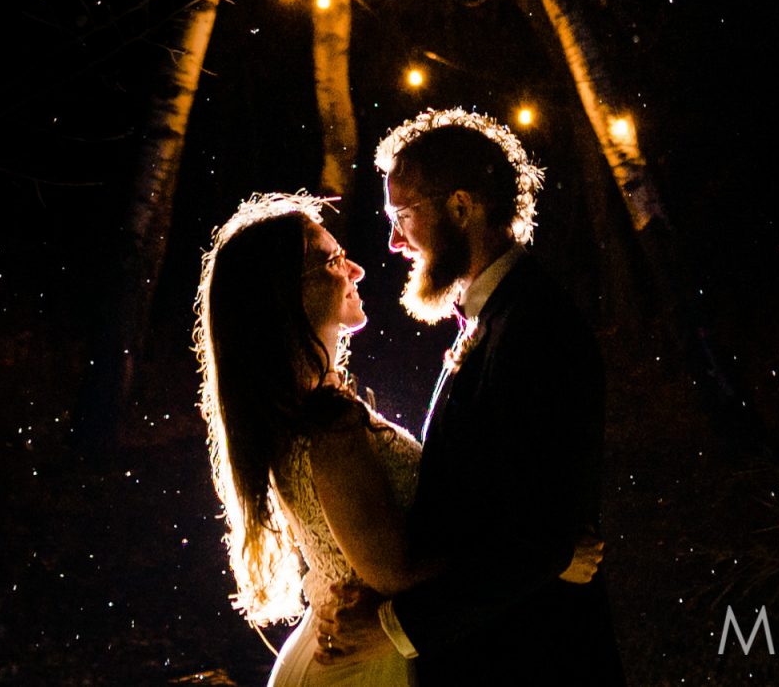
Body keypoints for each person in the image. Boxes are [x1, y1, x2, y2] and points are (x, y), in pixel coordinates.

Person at [194, 189, 599, 687]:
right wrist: (543, 557)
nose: (356, 270)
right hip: (362, 667)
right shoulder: (329, 425)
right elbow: (397, 572)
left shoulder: (300, 411)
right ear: (285, 295)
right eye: (332, 261)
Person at [316, 109, 627, 687]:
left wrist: (395, 626)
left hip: (536, 659)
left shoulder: (537, 327)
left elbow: (541, 537)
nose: (392, 241)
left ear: (462, 207)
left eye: (402, 216)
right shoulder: (493, 318)